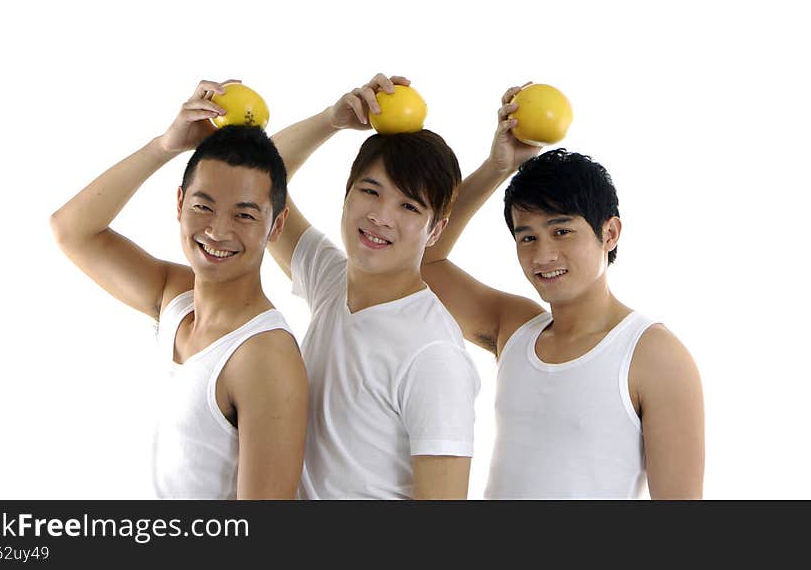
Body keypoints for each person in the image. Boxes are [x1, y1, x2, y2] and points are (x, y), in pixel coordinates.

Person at [422, 83, 705, 499]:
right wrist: (496, 167)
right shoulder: (514, 328)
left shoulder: (654, 355)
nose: (543, 255)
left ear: (609, 233)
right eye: (527, 237)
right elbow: (425, 260)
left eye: (561, 231)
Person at [49, 80, 308, 499]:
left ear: (275, 226)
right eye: (203, 206)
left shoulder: (264, 357)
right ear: (179, 204)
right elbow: (72, 230)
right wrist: (165, 146)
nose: (217, 231)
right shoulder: (177, 299)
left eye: (244, 215)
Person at [266, 73, 480, 499]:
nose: (381, 216)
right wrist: (332, 120)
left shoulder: (433, 354)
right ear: (346, 195)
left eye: (407, 205)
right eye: (370, 191)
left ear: (435, 230)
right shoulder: (332, 280)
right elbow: (260, 182)